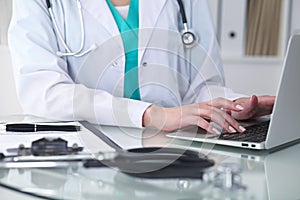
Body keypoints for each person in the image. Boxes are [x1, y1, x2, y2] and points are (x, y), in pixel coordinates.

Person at [8, 0, 275, 134]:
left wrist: (230, 105)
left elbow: (203, 83)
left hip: (172, 152)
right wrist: (149, 115)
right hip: (83, 155)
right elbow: (41, 90)